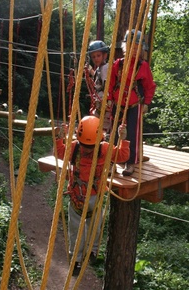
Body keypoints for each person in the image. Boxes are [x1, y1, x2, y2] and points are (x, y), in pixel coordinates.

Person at [55, 116, 130, 276]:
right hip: (85, 197)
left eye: (90, 146)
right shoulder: (90, 148)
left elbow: (122, 156)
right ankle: (84, 256)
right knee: (86, 228)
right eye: (85, 145)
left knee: (87, 228)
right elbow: (60, 152)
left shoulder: (89, 148)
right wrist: (60, 137)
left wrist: (123, 139)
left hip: (86, 197)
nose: (88, 149)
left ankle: (86, 255)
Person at [107, 29, 156, 176]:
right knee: (114, 133)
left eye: (136, 47)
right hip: (118, 104)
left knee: (132, 134)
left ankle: (130, 163)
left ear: (141, 49)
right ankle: (111, 162)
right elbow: (110, 82)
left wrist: (146, 103)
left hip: (134, 105)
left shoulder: (143, 66)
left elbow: (149, 86)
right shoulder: (118, 64)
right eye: (131, 47)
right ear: (125, 48)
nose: (133, 50)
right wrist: (109, 98)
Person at [85, 40, 112, 134]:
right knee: (96, 126)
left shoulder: (105, 68)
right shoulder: (99, 69)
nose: (96, 59)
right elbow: (99, 81)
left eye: (98, 55)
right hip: (100, 105)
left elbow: (107, 86)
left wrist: (107, 101)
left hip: (105, 105)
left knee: (101, 129)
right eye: (93, 57)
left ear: (105, 55)